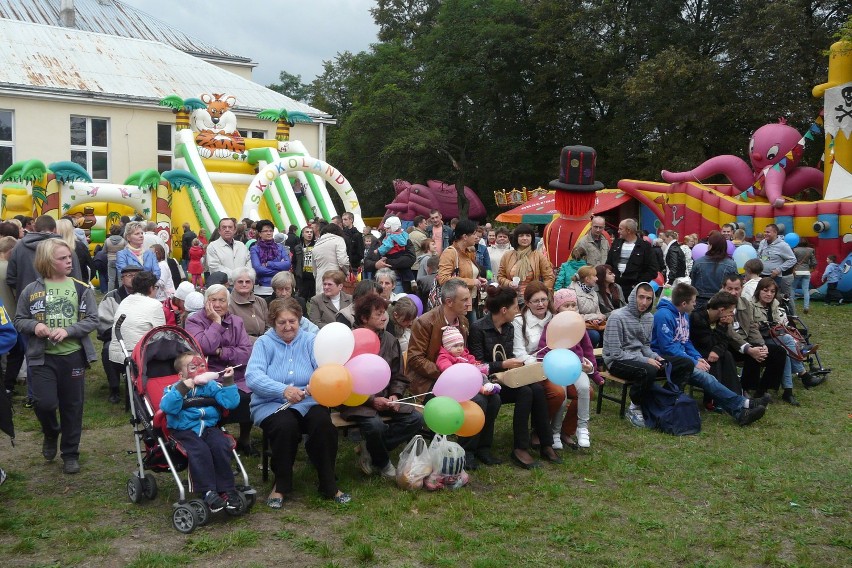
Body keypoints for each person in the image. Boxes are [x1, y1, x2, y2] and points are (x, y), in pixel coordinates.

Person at [246, 297, 351, 506]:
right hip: (271, 403)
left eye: (292, 321)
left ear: (299, 320)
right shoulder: (264, 344)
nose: (287, 327)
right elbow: (253, 377)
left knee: (324, 425)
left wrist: (317, 384)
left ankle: (328, 483)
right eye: (282, 322)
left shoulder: (311, 340)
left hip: (308, 401)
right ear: (273, 323)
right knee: (285, 426)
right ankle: (282, 484)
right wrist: (283, 390)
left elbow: (325, 370)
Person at [14, 239, 98, 474]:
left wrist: (69, 331)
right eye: (62, 258)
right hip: (42, 358)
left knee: (73, 407)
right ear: (46, 261)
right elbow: (19, 320)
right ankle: (51, 432)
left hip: (72, 357)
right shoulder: (31, 291)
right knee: (44, 403)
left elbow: (92, 319)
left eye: (69, 256)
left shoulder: (81, 288)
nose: (69, 260)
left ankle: (70, 453)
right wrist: (34, 326)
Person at [408, 278, 501, 469]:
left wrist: (470, 367)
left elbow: (461, 354)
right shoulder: (425, 322)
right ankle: (466, 450)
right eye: (465, 299)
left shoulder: (463, 322)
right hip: (430, 382)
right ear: (449, 302)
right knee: (477, 400)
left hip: (457, 377)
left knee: (495, 399)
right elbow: (415, 359)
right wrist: (448, 375)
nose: (469, 303)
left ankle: (483, 447)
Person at [651, 283, 768, 425]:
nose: (696, 305)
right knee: (707, 378)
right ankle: (743, 404)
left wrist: (697, 357)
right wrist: (694, 361)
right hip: (665, 359)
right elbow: (667, 347)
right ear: (684, 303)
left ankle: (740, 410)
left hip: (684, 358)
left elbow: (686, 342)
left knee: (717, 366)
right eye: (693, 302)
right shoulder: (664, 315)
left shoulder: (684, 316)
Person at [469, 285, 555, 468]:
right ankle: (520, 448)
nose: (518, 310)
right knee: (525, 392)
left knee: (536, 389)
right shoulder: (478, 328)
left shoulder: (509, 327)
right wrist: (502, 364)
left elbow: (512, 356)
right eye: (516, 307)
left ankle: (546, 443)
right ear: (504, 310)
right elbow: (476, 365)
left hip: (506, 379)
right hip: (487, 382)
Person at [343, 293, 423, 478]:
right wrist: (372, 400)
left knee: (415, 419)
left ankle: (370, 450)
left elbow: (398, 376)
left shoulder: (389, 339)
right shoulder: (349, 340)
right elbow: (345, 380)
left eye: (384, 312)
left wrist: (395, 395)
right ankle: (383, 462)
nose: (384, 317)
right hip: (357, 402)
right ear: (364, 317)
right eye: (378, 314)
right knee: (375, 426)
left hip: (386, 398)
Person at [160, 353, 241, 512]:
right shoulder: (174, 388)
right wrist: (183, 389)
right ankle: (208, 491)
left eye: (202, 366)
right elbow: (167, 407)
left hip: (209, 427)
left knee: (221, 445)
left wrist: (228, 381)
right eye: (193, 367)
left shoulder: (212, 386)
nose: (199, 370)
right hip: (184, 430)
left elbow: (231, 403)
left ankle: (226, 489)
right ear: (181, 375)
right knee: (200, 450)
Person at [185, 284, 255, 453]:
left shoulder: (236, 321)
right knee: (217, 398)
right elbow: (204, 347)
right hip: (209, 375)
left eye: (222, 300)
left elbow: (246, 353)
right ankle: (217, 438)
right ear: (205, 302)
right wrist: (216, 323)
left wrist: (220, 352)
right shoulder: (194, 321)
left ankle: (245, 438)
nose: (217, 305)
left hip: (237, 375)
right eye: (213, 300)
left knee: (250, 397)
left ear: (228, 303)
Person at [511, 281, 575, 454]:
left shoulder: (556, 319)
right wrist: (543, 366)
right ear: (527, 302)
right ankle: (540, 429)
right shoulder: (519, 322)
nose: (541, 304)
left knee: (586, 392)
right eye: (535, 301)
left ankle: (565, 430)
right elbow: (519, 353)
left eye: (544, 300)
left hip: (559, 366)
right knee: (558, 393)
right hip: (535, 369)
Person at [538, 288, 601, 448]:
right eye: (566, 305)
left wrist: (595, 374)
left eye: (574, 305)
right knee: (563, 395)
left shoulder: (579, 327)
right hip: (558, 370)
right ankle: (555, 431)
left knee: (585, 388)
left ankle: (582, 427)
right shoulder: (552, 326)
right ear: (557, 308)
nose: (571, 309)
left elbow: (588, 351)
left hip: (577, 368)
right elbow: (543, 349)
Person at [749, 277, 822, 405]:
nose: (769, 294)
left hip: (774, 338)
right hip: (758, 340)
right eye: (765, 291)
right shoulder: (750, 305)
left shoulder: (775, 304)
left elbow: (778, 323)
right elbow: (750, 328)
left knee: (785, 350)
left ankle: (788, 391)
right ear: (758, 291)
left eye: (772, 291)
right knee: (787, 342)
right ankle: (803, 375)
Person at [720, 275, 785, 399]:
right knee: (753, 353)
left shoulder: (744, 302)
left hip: (745, 341)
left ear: (742, 288)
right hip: (726, 344)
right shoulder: (718, 304)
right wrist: (749, 348)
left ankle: (762, 389)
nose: (734, 292)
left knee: (779, 352)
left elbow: (752, 326)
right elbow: (729, 332)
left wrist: (762, 344)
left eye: (737, 289)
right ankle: (746, 388)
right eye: (730, 289)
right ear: (723, 288)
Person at [7, 215, 83, 298]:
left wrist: (24, 290)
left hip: (28, 300)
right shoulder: (65, 248)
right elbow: (76, 278)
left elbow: (11, 278)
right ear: (55, 229)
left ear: (34, 228)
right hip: (61, 300)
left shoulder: (19, 247)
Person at [689, 291, 741, 410]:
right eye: (730, 311)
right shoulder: (698, 317)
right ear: (721, 310)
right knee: (715, 358)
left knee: (726, 354)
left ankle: (736, 396)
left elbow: (724, 342)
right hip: (696, 353)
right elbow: (707, 344)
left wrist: (717, 350)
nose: (731, 314)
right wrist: (722, 327)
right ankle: (712, 400)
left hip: (710, 351)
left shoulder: (721, 319)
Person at [97, 265, 142, 403]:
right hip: (117, 338)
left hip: (141, 338)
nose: (133, 278)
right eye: (129, 275)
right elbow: (103, 323)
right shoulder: (111, 297)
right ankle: (114, 388)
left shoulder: (147, 296)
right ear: (122, 279)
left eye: (137, 275)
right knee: (107, 349)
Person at [109, 271, 166, 369]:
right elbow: (161, 335)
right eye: (156, 287)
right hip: (138, 357)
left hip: (117, 355)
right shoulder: (155, 305)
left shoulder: (125, 301)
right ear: (151, 288)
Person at [497, 223, 555, 299]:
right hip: (511, 298)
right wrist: (509, 283)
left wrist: (541, 293)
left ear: (532, 238)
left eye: (528, 235)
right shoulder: (507, 256)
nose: (525, 238)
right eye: (521, 235)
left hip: (533, 299)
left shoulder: (538, 256)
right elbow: (500, 276)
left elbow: (549, 277)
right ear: (516, 238)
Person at [605, 218, 659, 298]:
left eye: (620, 229)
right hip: (615, 287)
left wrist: (638, 284)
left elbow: (653, 269)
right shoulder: (616, 244)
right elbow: (609, 264)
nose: (618, 231)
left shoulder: (644, 246)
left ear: (629, 231)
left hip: (633, 289)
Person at [690, 231, 738, 310]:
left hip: (701, 302)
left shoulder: (698, 262)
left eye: (708, 244)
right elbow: (735, 286)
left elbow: (693, 284)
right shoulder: (731, 265)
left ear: (711, 246)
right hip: (722, 303)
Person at [756, 224, 796, 313]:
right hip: (761, 275)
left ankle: (781, 316)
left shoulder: (783, 245)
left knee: (773, 299)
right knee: (761, 297)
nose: (765, 234)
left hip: (774, 277)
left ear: (775, 233)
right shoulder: (763, 242)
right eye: (765, 232)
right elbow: (762, 256)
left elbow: (792, 260)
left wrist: (779, 269)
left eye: (768, 232)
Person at [249, 220, 292, 300]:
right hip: (263, 289)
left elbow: (287, 264)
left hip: (280, 288)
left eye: (271, 231)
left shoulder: (280, 247)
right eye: (265, 231)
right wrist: (280, 271)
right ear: (260, 233)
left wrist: (269, 264)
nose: (269, 233)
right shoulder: (254, 249)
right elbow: (258, 269)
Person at [569, 266, 607, 347]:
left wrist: (598, 320)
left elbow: (598, 312)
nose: (597, 279)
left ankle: (602, 358)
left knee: (609, 331)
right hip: (578, 326)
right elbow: (574, 316)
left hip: (592, 324)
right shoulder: (572, 292)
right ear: (587, 279)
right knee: (594, 335)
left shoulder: (592, 292)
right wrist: (594, 317)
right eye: (594, 276)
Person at [228, 267, 269, 343]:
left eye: (247, 282)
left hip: (265, 343)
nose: (244, 284)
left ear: (253, 283)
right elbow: (232, 333)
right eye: (240, 282)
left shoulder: (261, 301)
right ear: (234, 283)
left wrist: (267, 340)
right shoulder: (228, 303)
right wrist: (259, 341)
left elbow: (269, 325)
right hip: (242, 346)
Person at [205, 217, 251, 283]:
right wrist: (237, 276)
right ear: (219, 231)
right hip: (224, 286)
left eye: (230, 227)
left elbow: (248, 261)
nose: (227, 230)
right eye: (224, 227)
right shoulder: (212, 246)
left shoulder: (241, 245)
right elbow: (215, 267)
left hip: (243, 284)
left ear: (235, 230)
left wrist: (245, 275)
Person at [378, 216, 416, 291]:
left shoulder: (406, 240)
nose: (385, 228)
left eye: (387, 227)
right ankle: (412, 280)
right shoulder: (378, 241)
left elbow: (411, 259)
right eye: (385, 226)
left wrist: (388, 261)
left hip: (400, 279)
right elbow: (368, 261)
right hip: (382, 279)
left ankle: (412, 280)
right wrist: (376, 263)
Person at [792, 239, 816, 314]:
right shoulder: (811, 250)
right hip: (806, 271)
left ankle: (792, 307)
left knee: (792, 288)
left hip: (796, 271)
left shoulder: (795, 250)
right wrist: (811, 269)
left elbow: (792, 261)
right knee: (806, 290)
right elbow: (814, 262)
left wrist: (792, 270)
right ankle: (806, 306)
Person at [293, 225, 317, 301]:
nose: (309, 234)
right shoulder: (298, 247)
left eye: (311, 232)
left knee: (315, 298)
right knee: (302, 298)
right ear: (302, 234)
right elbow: (294, 262)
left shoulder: (317, 246)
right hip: (302, 277)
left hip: (314, 276)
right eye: (307, 232)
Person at [103, 225, 126, 292]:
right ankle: (121, 293)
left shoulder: (107, 241)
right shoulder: (123, 241)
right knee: (120, 279)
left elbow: (104, 251)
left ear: (111, 231)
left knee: (111, 279)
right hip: (120, 261)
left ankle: (110, 294)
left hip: (110, 260)